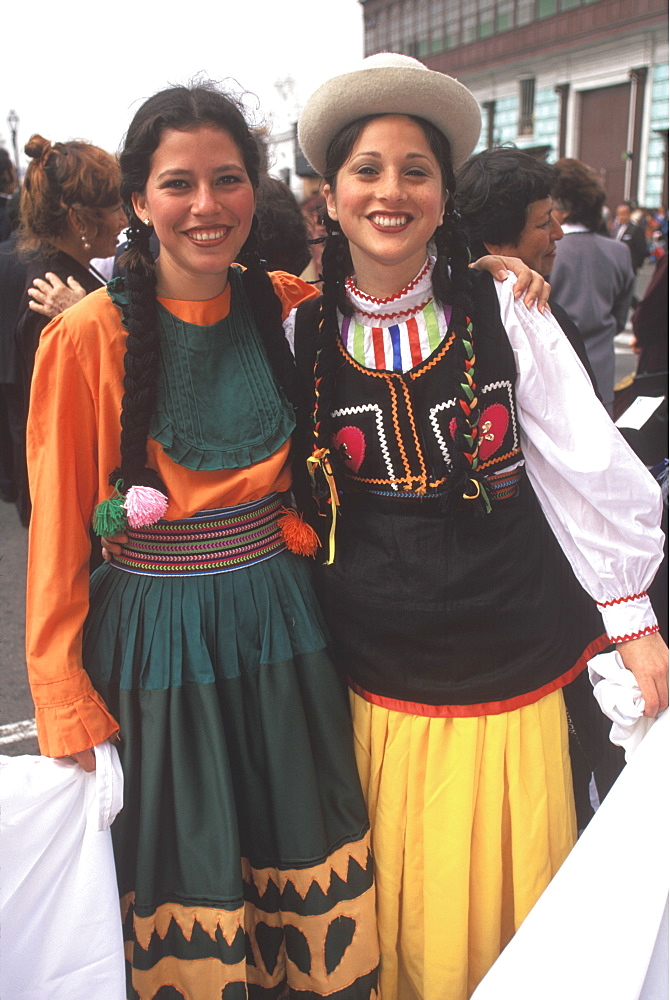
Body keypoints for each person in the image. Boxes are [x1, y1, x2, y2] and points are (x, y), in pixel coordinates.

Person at [292, 53, 667, 1000]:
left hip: (511, 663)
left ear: (444, 195)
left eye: (415, 170)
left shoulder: (507, 307)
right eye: (366, 170)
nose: (391, 190)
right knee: (403, 901)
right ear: (328, 197)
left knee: (516, 902)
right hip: (371, 679)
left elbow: (585, 464)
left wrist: (633, 616)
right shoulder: (294, 331)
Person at [25, 84, 380, 998]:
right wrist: (63, 700)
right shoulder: (85, 338)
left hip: (282, 625)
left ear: (254, 192)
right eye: (178, 184)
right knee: (189, 860)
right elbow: (60, 534)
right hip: (158, 645)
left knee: (299, 836)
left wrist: (492, 273)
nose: (206, 206)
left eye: (228, 181)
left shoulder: (290, 305)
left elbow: (398, 293)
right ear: (139, 199)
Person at [14, 135, 127, 526]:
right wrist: (86, 321)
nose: (124, 221)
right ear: (80, 220)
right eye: (115, 209)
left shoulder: (66, 274)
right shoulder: (53, 295)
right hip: (83, 502)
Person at [454, 147, 598, 389]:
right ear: (495, 241)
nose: (558, 233)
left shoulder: (447, 305)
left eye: (554, 216)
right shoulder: (536, 315)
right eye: (543, 224)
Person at [550, 158, 635, 415]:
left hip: (554, 374)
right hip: (601, 369)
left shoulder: (546, 251)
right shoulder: (619, 252)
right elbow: (620, 317)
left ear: (560, 206)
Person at [613, 199, 648, 274]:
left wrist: (636, 265)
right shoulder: (615, 229)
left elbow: (641, 249)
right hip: (616, 266)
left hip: (629, 267)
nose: (620, 217)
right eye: (618, 214)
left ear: (629, 214)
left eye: (623, 214)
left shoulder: (636, 230)